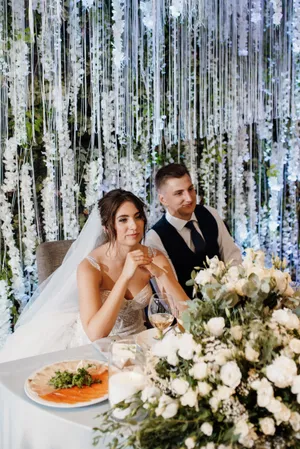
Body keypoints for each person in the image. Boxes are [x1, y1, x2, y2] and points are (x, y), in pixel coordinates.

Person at [0, 189, 188, 363]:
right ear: (107, 227)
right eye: (123, 220)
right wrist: (125, 276)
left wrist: (161, 274)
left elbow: (186, 315)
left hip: (139, 342)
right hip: (96, 347)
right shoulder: (90, 268)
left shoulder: (154, 257)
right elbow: (96, 334)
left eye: (138, 217)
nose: (134, 226)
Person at [145, 164, 242, 297]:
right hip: (186, 313)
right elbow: (168, 291)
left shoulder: (210, 213)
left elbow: (233, 258)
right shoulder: (155, 238)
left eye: (190, 189)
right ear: (163, 199)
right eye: (179, 193)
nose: (189, 198)